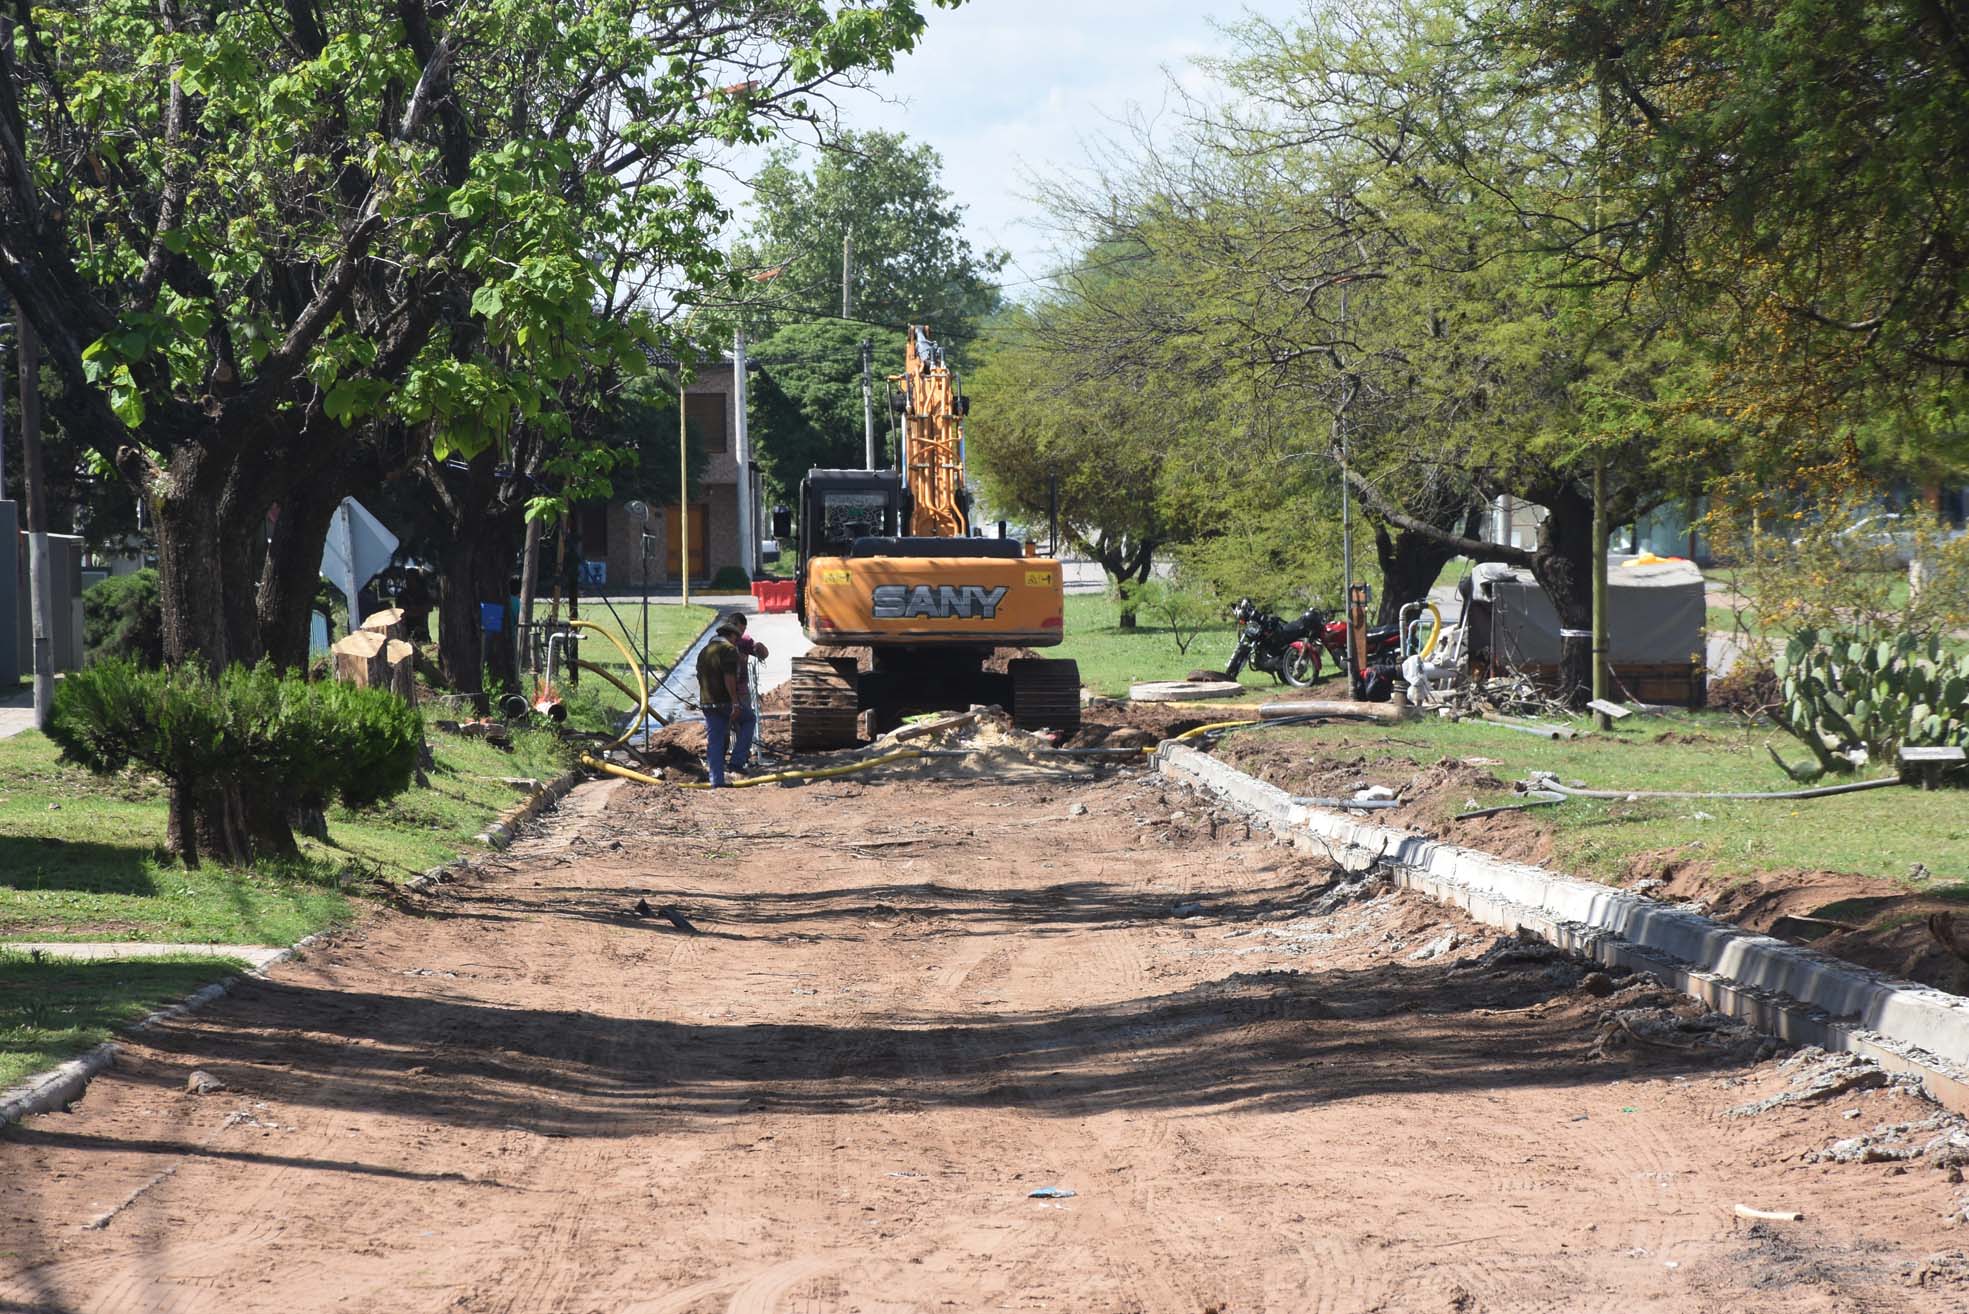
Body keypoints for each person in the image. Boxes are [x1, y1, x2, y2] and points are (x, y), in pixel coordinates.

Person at [695, 616, 749, 787]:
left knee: (715, 742)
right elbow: (729, 678)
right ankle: (737, 761)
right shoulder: (729, 650)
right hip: (724, 702)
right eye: (736, 638)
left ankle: (717, 782)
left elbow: (699, 676)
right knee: (749, 719)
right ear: (731, 636)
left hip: (707, 702)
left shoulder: (705, 651)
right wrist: (735, 702)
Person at [725, 613, 769, 775]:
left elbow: (763, 653)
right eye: (738, 631)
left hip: (741, 692)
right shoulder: (720, 645)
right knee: (726, 727)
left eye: (742, 631)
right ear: (731, 626)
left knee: (744, 724)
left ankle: (739, 759)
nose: (739, 635)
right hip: (724, 694)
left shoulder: (744, 641)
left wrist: (760, 648)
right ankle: (727, 760)